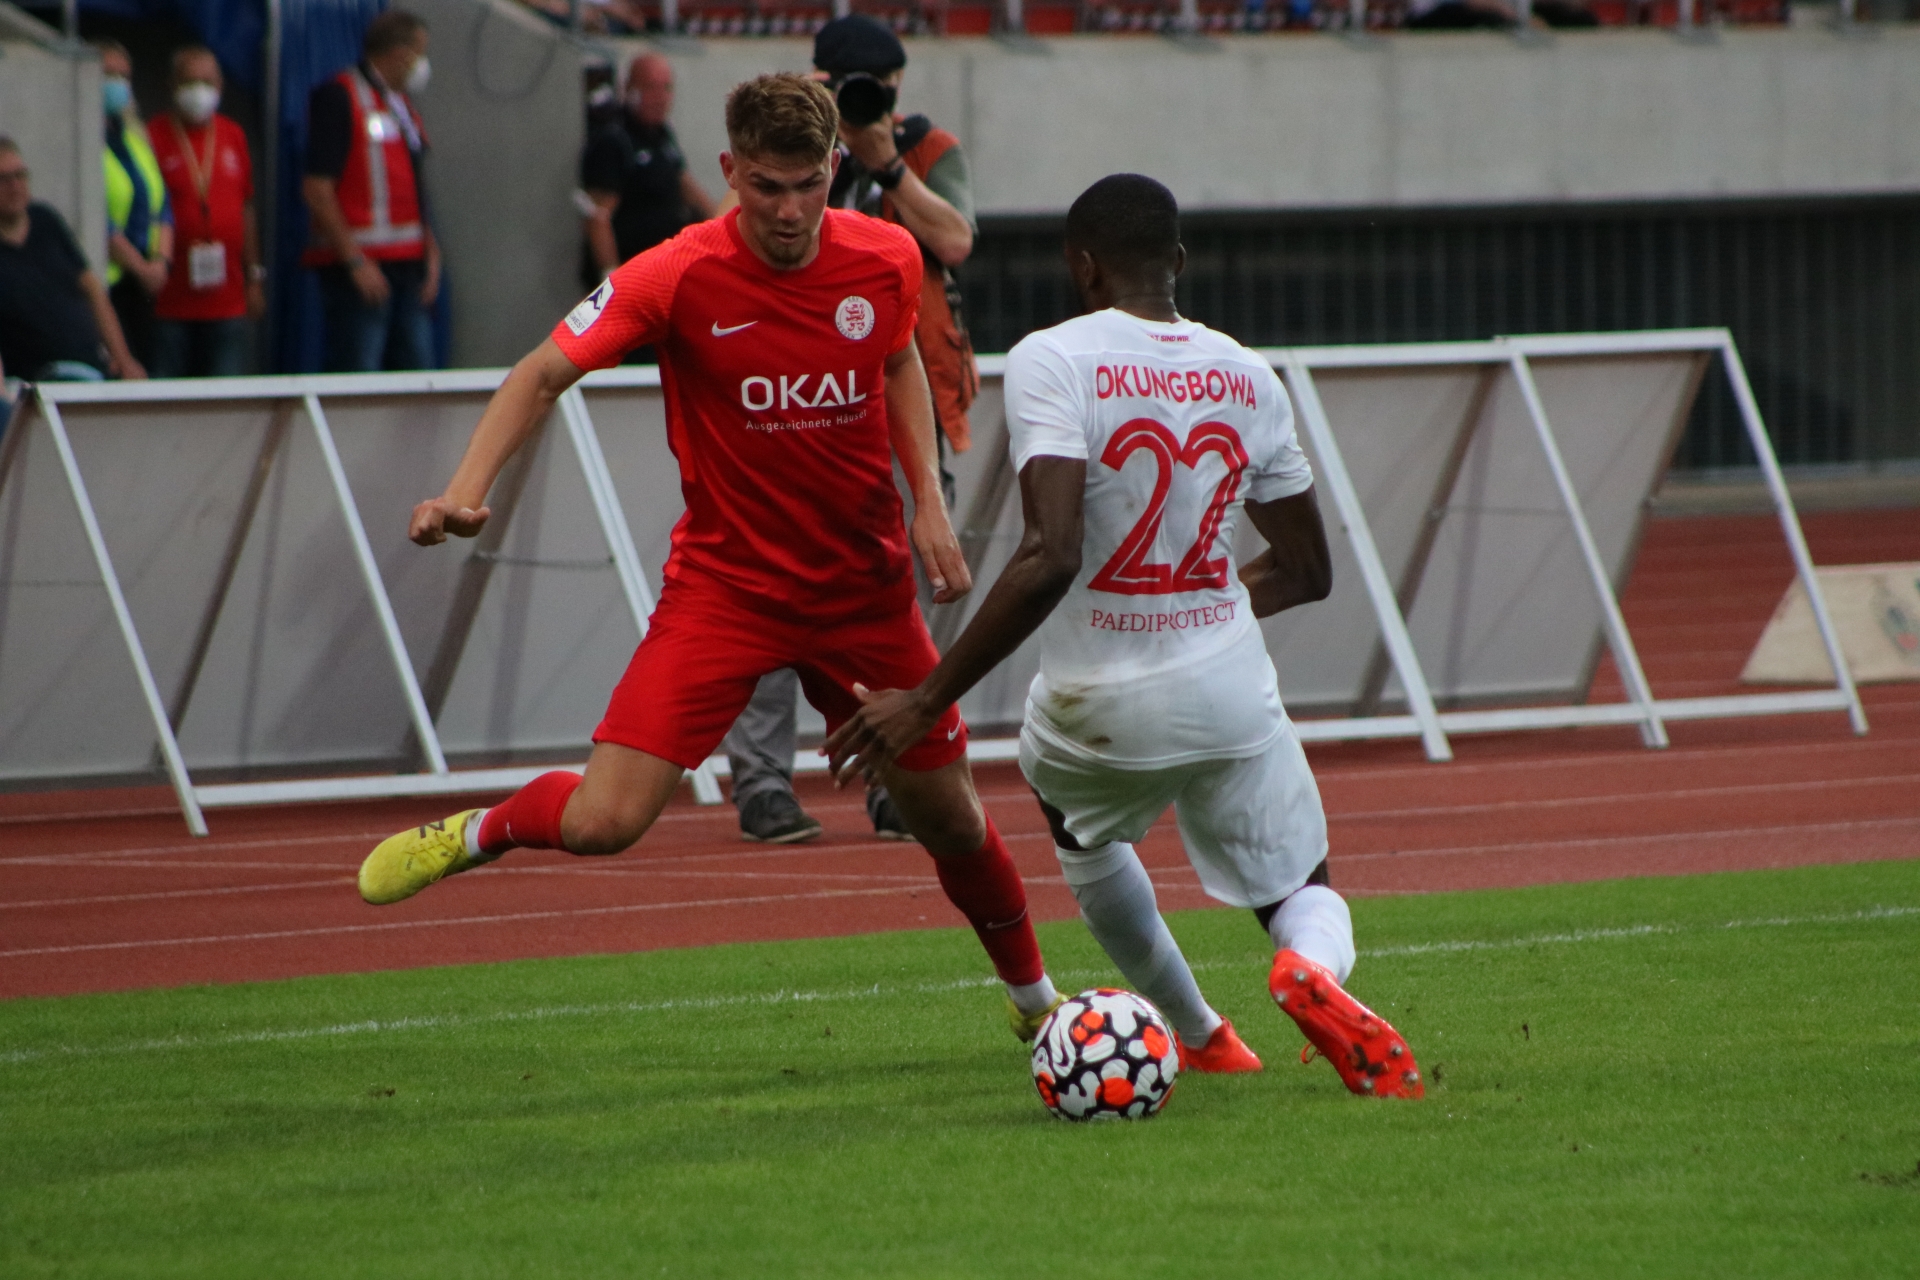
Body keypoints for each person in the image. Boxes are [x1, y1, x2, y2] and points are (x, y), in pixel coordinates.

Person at [355, 74, 1065, 1042]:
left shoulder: (886, 254)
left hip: (863, 596)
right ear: (730, 170)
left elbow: (899, 358)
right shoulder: (674, 273)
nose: (789, 210)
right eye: (767, 186)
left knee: (951, 822)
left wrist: (928, 503)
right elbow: (542, 371)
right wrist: (462, 490)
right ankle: (479, 830)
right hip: (727, 593)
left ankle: (1039, 1007)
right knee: (603, 824)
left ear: (833, 168)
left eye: (808, 184)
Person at [825, 174, 1425, 1096]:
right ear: (1178, 261)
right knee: (1302, 885)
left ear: (1083, 267)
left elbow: (1050, 554)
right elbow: (1309, 572)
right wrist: (1198, 607)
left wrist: (929, 698)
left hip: (1093, 707)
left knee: (1084, 836)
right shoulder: (1249, 374)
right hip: (1228, 691)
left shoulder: (1053, 358)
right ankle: (1307, 966)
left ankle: (1203, 1032)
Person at [718, 14, 983, 846]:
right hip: (792, 403)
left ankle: (893, 779)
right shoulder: (785, 155)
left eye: (884, 89)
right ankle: (763, 783)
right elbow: (730, 241)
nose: (872, 101)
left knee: (897, 606)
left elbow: (955, 239)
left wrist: (886, 161)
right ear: (819, 84)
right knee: (767, 596)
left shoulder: (927, 149)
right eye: (849, 90)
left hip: (900, 408)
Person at [301, 9, 441, 373]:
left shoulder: (402, 105)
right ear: (399, 54)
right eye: (419, 53)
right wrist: (355, 261)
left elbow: (413, 186)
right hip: (361, 271)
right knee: (360, 372)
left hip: (408, 266)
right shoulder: (339, 96)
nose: (422, 64)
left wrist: (430, 251)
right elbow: (317, 189)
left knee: (418, 374)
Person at [148, 45, 264, 378]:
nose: (199, 90)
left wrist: (254, 276)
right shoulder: (153, 135)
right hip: (171, 298)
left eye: (207, 82)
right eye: (189, 82)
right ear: (172, 85)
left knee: (224, 392)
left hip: (227, 297)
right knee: (167, 393)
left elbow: (245, 208)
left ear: (220, 87)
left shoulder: (232, 135)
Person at [0, 137, 144, 383]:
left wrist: (124, 360)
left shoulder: (46, 220)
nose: (15, 186)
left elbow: (93, 289)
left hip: (88, 366)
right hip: (33, 378)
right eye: (4, 179)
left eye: (20, 175)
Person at [578, 51, 716, 293]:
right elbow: (598, 218)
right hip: (633, 277)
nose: (661, 98)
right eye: (651, 88)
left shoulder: (661, 135)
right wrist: (610, 284)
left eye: (666, 88)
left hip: (667, 271)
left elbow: (686, 186)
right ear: (629, 89)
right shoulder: (614, 141)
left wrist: (724, 227)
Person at [99, 40, 172, 373]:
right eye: (108, 74)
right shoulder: (83, 138)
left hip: (146, 282)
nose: (117, 84)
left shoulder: (134, 136)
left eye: (123, 76)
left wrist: (160, 262)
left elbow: (161, 204)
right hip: (111, 279)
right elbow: (100, 218)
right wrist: (139, 267)